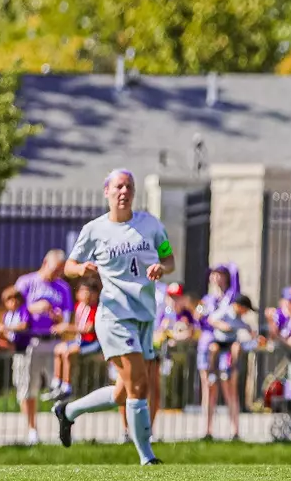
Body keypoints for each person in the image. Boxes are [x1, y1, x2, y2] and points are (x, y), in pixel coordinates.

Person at [52, 170, 173, 465]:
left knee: (123, 391)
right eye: (119, 186)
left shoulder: (151, 225)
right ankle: (147, 457)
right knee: (140, 385)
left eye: (129, 186)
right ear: (106, 191)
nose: (124, 191)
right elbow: (69, 265)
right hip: (114, 317)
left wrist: (162, 268)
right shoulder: (95, 229)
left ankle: (68, 411)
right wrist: (81, 269)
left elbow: (168, 258)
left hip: (144, 316)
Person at [11, 248, 74, 439]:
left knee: (59, 389)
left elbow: (66, 319)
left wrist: (59, 319)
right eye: (55, 269)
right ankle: (32, 431)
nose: (58, 274)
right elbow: (13, 311)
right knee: (27, 387)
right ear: (45, 263)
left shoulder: (63, 288)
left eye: (61, 270)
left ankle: (62, 430)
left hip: (54, 344)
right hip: (30, 342)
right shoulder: (26, 282)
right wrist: (32, 309)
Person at [197, 267, 244, 440]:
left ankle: (235, 431)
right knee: (209, 388)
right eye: (215, 275)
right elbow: (200, 319)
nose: (217, 278)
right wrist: (214, 322)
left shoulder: (232, 298)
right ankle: (207, 431)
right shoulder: (206, 300)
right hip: (208, 346)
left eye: (221, 275)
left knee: (229, 385)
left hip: (226, 346)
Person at [53, 281, 100, 398]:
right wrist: (59, 319)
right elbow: (73, 323)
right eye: (83, 291)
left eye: (90, 292)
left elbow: (88, 329)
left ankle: (67, 387)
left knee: (68, 353)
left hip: (93, 343)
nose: (87, 295)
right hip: (79, 341)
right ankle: (56, 383)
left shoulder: (96, 309)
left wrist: (66, 327)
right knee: (58, 349)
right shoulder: (79, 306)